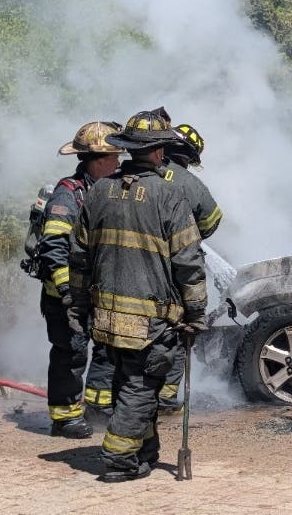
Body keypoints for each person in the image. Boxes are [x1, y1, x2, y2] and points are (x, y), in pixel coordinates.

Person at [67, 110, 208, 482]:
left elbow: (79, 256)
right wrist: (196, 312)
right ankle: (118, 459)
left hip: (105, 317)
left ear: (128, 150)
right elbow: (189, 262)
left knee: (125, 382)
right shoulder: (169, 194)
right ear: (160, 152)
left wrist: (79, 307)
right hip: (151, 322)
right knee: (141, 387)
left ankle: (144, 451)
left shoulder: (98, 192)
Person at [37, 121, 123, 439]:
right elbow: (53, 245)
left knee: (104, 350)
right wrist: (67, 292)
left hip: (97, 292)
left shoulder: (106, 190)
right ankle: (65, 419)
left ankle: (98, 409)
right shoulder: (68, 194)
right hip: (66, 296)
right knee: (71, 353)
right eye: (114, 157)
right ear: (98, 160)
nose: (118, 162)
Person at [156, 121, 222, 414]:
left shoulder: (134, 174)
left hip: (132, 269)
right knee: (181, 332)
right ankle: (166, 399)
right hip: (174, 271)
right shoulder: (188, 182)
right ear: (190, 156)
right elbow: (212, 220)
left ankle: (120, 399)